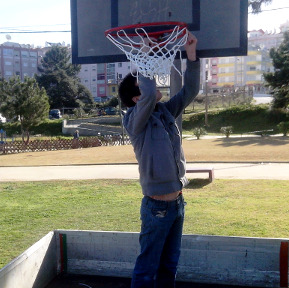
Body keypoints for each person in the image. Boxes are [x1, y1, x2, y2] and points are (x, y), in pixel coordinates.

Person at [118, 31, 200, 288]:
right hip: (157, 208)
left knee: (169, 265)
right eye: (142, 88)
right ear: (136, 98)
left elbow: (190, 90)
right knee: (147, 268)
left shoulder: (164, 111)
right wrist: (145, 54)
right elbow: (150, 86)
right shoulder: (134, 120)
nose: (156, 88)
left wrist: (191, 56)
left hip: (177, 204)